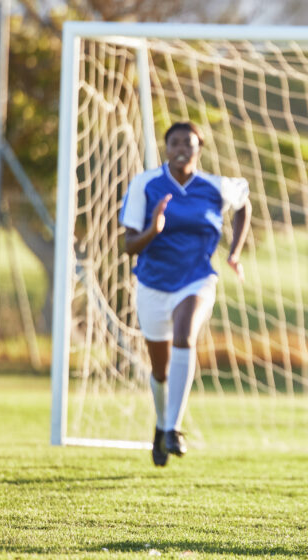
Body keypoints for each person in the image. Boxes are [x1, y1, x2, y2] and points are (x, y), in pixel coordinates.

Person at [120, 122, 251, 468]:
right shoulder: (145, 184)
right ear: (166, 147)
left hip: (197, 279)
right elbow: (129, 244)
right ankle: (161, 426)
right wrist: (154, 229)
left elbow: (244, 204)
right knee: (160, 371)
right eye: (175, 142)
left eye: (189, 143)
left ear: (199, 149)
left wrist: (234, 252)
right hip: (152, 284)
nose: (182, 148)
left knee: (185, 335)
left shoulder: (213, 186)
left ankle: (174, 429)